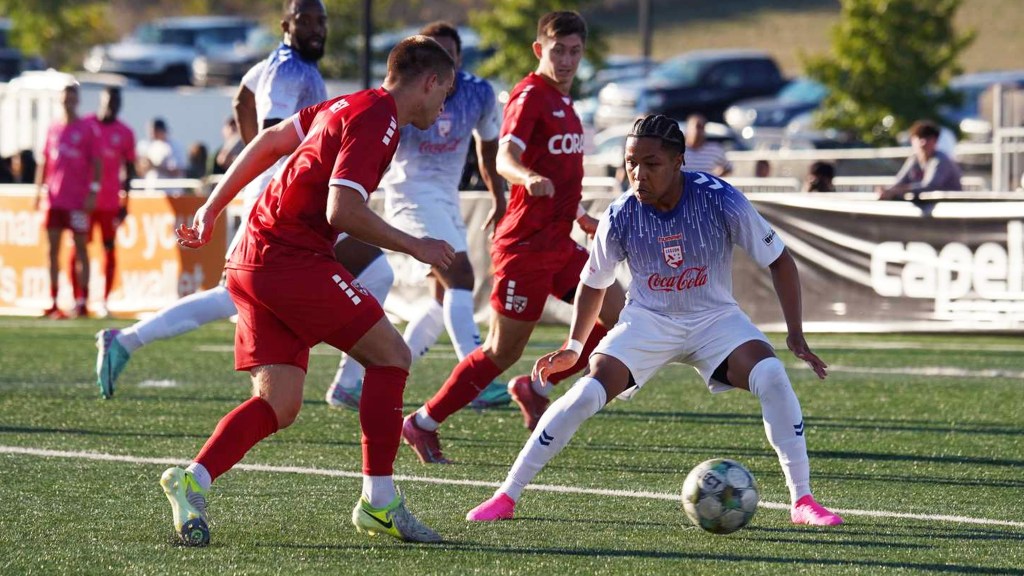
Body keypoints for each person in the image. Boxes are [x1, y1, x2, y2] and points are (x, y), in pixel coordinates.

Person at [465, 114, 844, 528]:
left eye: (651, 164)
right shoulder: (621, 213)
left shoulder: (720, 198)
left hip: (715, 319)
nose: (638, 174)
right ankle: (506, 494)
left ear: (679, 162)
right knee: (585, 393)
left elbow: (780, 261)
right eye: (631, 163)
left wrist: (795, 335)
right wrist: (573, 347)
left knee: (771, 375)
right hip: (647, 321)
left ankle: (802, 500)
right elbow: (593, 282)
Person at [159, 34, 456, 547]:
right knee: (391, 356)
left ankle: (193, 479)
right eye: (445, 93)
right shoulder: (379, 119)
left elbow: (270, 141)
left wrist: (212, 206)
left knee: (280, 403)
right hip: (288, 259)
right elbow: (342, 210)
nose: (443, 106)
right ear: (429, 82)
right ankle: (379, 502)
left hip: (253, 256)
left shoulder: (349, 103)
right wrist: (416, 244)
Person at [95, 0, 382, 401]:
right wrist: (281, 166)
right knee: (368, 272)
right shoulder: (289, 70)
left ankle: (128, 339)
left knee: (239, 292)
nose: (317, 28)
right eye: (306, 21)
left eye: (322, 21)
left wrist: (255, 153)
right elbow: (273, 131)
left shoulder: (277, 64)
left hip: (278, 191)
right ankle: (347, 383)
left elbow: (242, 99)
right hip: (280, 197)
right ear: (286, 25)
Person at [400, 11, 626, 465]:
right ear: (540, 50)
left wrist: (579, 214)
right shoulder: (530, 95)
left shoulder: (566, 103)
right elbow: (506, 156)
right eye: (558, 50)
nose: (566, 60)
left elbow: (559, 172)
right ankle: (422, 422)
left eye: (574, 51)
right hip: (524, 249)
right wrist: (526, 176)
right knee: (501, 352)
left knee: (622, 317)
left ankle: (537, 386)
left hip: (560, 244)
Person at [325, 21, 510, 412]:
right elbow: (373, 148)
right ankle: (474, 380)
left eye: (448, 58)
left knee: (442, 298)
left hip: (447, 199)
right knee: (460, 275)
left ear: (457, 60)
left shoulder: (478, 92)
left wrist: (499, 196)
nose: (440, 72)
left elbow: (489, 148)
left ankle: (355, 381)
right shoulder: (402, 102)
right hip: (409, 194)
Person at [33, 81, 102, 319]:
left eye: (72, 99)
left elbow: (97, 163)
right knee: (52, 250)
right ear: (60, 100)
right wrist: (38, 191)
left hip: (77, 201)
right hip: (54, 200)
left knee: (81, 249)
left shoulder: (87, 129)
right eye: (65, 99)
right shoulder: (53, 128)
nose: (68, 103)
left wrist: (93, 191)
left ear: (77, 101)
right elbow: (44, 161)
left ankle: (82, 301)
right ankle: (53, 301)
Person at [71, 86, 137, 318]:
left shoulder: (125, 133)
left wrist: (125, 202)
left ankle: (105, 301)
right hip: (84, 201)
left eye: (116, 103)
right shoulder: (86, 126)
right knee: (78, 249)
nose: (111, 107)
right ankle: (80, 299)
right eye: (109, 102)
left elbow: (129, 170)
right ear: (101, 101)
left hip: (109, 203)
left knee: (108, 250)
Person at [877, 120, 961, 200]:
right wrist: (887, 190)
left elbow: (930, 186)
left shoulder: (941, 160)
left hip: (949, 205)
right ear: (912, 140)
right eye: (919, 137)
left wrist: (900, 190)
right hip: (928, 204)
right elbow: (900, 181)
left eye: (928, 138)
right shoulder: (914, 159)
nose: (923, 142)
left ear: (935, 141)